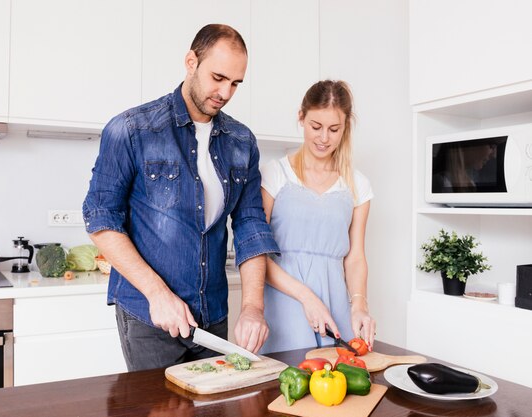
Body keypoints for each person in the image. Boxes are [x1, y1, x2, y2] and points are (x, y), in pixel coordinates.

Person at [82, 24, 279, 371]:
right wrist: (157, 293)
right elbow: (100, 219)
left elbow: (251, 226)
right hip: (149, 315)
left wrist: (253, 307)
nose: (225, 92)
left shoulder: (242, 141)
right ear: (191, 61)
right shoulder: (131, 129)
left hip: (212, 315)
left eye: (235, 83)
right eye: (218, 77)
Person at [259, 80, 376, 354]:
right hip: (283, 301)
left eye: (334, 129)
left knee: (336, 387)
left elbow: (355, 256)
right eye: (316, 126)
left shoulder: (358, 185)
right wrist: (306, 297)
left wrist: (359, 305)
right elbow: (257, 254)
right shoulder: (274, 174)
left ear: (346, 126)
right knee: (286, 384)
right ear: (301, 118)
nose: (324, 138)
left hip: (334, 305)